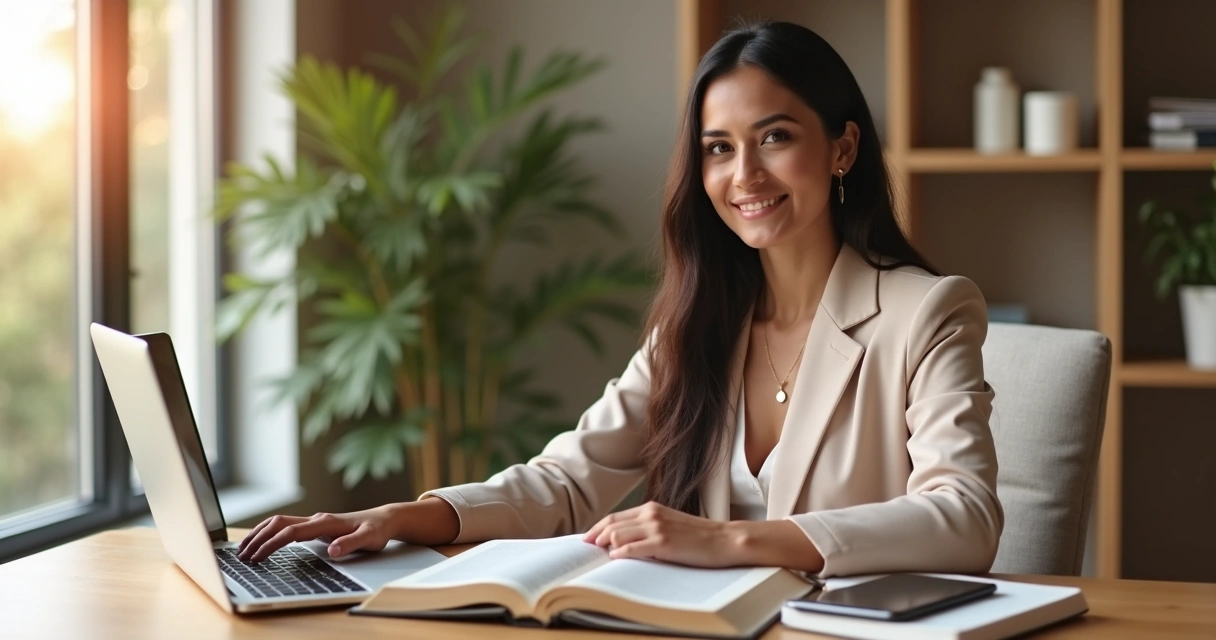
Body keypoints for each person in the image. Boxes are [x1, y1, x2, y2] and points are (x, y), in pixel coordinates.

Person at [238, 20, 1002, 578]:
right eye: (718, 149)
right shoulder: (696, 326)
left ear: (841, 148)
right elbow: (568, 480)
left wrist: (726, 540)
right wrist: (407, 515)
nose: (745, 178)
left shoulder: (925, 312)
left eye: (774, 138)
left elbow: (965, 518)